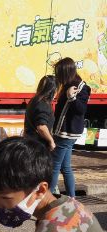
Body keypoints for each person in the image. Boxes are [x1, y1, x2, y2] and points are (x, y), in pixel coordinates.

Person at [51, 57, 91, 197]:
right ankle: (72, 199)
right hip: (65, 131)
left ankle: (48, 200)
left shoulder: (81, 87)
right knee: (65, 167)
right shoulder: (70, 84)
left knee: (54, 166)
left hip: (66, 132)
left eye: (59, 73)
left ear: (66, 72)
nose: (57, 76)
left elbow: (81, 110)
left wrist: (71, 97)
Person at [24, 75, 57, 150]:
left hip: (30, 142)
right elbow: (41, 127)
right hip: (38, 146)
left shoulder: (35, 100)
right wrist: (51, 141)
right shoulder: (43, 104)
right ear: (53, 90)